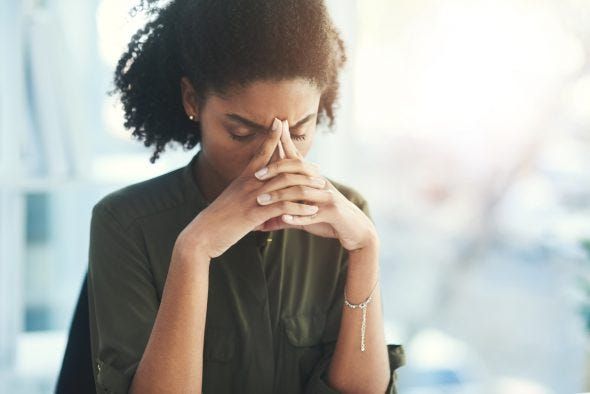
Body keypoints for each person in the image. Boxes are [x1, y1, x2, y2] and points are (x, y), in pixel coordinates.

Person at [87, 0, 405, 393]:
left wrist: (366, 249)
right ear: (192, 100)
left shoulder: (346, 218)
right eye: (242, 133)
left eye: (300, 130)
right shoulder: (126, 224)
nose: (275, 156)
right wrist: (193, 250)